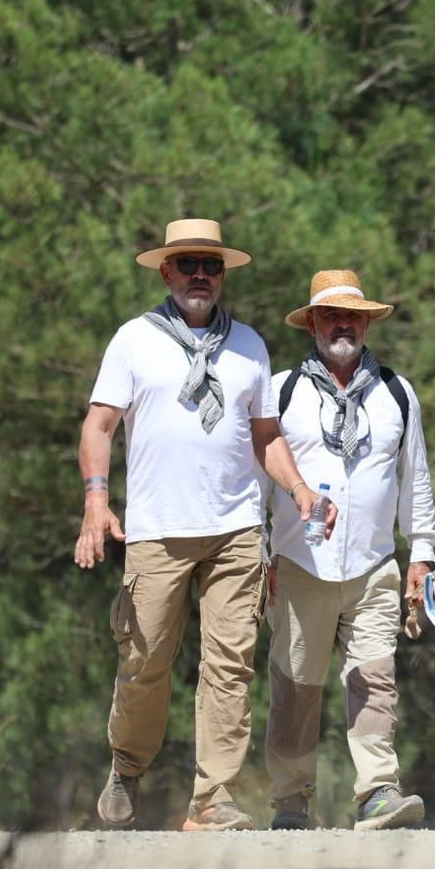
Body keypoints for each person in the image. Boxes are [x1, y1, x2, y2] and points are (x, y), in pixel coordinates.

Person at [74, 218, 330, 832]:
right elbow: (99, 426)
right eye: (187, 264)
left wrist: (294, 487)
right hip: (158, 529)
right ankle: (127, 766)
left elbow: (265, 435)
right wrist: (95, 502)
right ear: (166, 271)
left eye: (210, 266)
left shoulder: (250, 345)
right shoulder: (134, 340)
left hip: (236, 529)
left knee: (230, 667)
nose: (199, 276)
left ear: (222, 275)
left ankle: (211, 799)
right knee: (144, 661)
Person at [263, 269, 435, 831]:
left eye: (353, 315)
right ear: (312, 322)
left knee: (375, 678)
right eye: (332, 314)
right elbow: (255, 478)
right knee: (295, 690)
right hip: (297, 564)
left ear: (366, 324)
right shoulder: (280, 391)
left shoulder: (397, 393)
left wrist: (423, 554)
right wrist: (257, 553)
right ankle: (291, 803)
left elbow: (415, 478)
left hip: (373, 565)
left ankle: (377, 793)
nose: (343, 324)